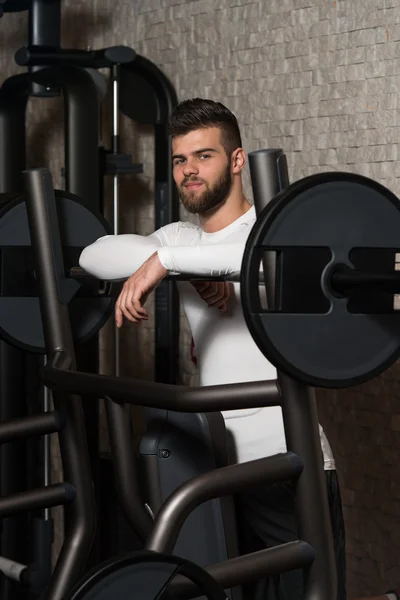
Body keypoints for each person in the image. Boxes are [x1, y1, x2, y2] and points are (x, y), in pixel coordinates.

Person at [79, 98, 395, 600]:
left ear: (238, 159)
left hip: (287, 461)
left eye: (204, 156)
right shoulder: (180, 238)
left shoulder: (275, 233)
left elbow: (256, 257)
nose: (189, 171)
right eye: (180, 160)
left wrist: (178, 263)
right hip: (216, 466)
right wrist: (177, 261)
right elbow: (94, 255)